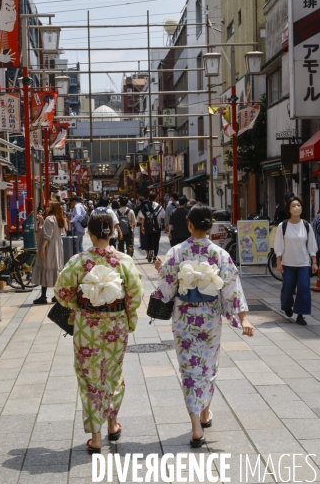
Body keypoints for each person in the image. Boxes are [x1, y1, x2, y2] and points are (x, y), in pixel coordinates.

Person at [154, 205, 253, 447]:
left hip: (184, 319)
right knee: (208, 365)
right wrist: (243, 318)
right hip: (209, 318)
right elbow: (231, 287)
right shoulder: (220, 254)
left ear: (189, 225)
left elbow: (166, 290)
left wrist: (161, 271)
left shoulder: (176, 253)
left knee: (189, 370)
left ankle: (197, 426)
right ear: (209, 226)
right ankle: (205, 413)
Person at [54, 211, 143, 454]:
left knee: (90, 378)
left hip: (87, 326)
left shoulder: (79, 261)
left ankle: (96, 438)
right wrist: (129, 319)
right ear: (113, 232)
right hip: (116, 325)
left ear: (90, 233)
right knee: (113, 373)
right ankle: (113, 425)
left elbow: (61, 290)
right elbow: (135, 295)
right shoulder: (123, 261)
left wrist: (78, 306)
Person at [275, 197, 318, 325]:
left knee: (304, 288)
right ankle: (287, 305)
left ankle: (300, 314)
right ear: (289, 209)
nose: (296, 207)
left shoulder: (306, 225)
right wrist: (278, 261)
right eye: (293, 205)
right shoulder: (283, 226)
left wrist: (314, 261)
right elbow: (279, 245)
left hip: (304, 263)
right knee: (288, 288)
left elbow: (311, 245)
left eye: (299, 205)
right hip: (288, 263)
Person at [32, 201, 67, 305]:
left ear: (53, 208)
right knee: (56, 269)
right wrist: (43, 222)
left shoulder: (49, 219)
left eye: (48, 206)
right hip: (57, 247)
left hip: (49, 247)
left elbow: (47, 235)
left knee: (45, 267)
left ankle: (43, 296)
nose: (46, 208)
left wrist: (43, 247)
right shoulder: (59, 219)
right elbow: (52, 231)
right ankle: (56, 295)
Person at [139, 192, 165, 262]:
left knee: (149, 240)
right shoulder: (159, 206)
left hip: (148, 226)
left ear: (148, 198)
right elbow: (163, 216)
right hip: (157, 227)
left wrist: (142, 227)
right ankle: (155, 256)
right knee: (156, 241)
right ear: (155, 198)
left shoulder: (145, 206)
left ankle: (150, 251)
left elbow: (143, 217)